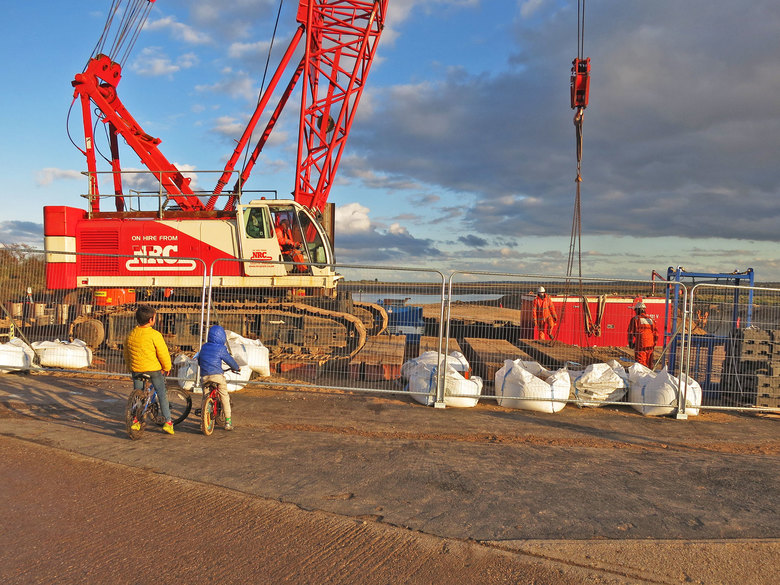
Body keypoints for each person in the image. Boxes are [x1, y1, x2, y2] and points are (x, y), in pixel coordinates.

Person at [124, 305, 174, 434]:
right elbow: (163, 353)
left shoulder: (131, 334)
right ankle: (168, 422)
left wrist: (131, 367)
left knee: (138, 395)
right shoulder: (154, 334)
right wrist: (167, 367)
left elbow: (126, 353)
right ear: (151, 320)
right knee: (162, 393)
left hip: (136, 370)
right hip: (153, 370)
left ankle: (135, 420)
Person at [197, 324, 240, 431]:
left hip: (204, 376)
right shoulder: (221, 348)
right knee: (224, 396)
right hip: (217, 376)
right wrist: (236, 367)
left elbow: (199, 360)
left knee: (205, 396)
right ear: (222, 337)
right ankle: (228, 422)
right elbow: (230, 361)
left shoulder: (204, 347)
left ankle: (203, 420)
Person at [627, 301, 658, 368]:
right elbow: (656, 333)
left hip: (641, 342)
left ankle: (642, 376)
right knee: (649, 360)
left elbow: (631, 332)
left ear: (638, 310)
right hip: (650, 343)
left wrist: (630, 343)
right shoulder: (651, 319)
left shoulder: (635, 319)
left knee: (640, 361)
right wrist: (654, 343)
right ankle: (649, 375)